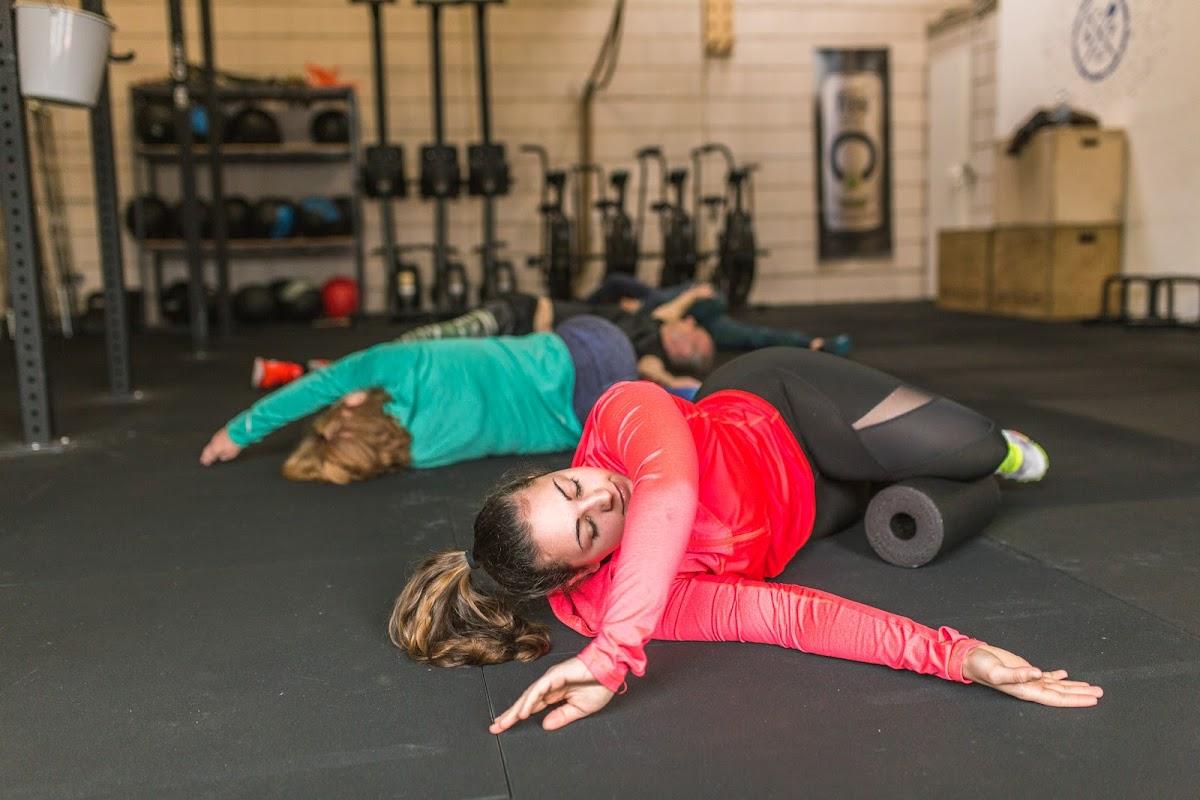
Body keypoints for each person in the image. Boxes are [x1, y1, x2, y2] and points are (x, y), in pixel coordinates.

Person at [388, 347, 1101, 734]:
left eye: (568, 486)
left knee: (972, 449)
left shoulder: (621, 416)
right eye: (587, 528)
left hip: (783, 404)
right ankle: (898, 470)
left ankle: (991, 452)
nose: (602, 493)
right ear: (581, 573)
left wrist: (612, 657)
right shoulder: (630, 600)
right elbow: (789, 618)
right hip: (818, 507)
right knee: (894, 490)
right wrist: (956, 656)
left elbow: (669, 492)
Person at [199, 316, 637, 483]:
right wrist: (236, 433)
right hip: (593, 345)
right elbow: (315, 387)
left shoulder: (419, 455)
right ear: (349, 404)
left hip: (600, 414)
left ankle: (660, 381)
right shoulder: (394, 363)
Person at [393, 291, 715, 392]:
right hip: (521, 314)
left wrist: (684, 385)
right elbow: (678, 307)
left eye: (694, 332)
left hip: (525, 350)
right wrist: (697, 294)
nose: (688, 322)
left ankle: (385, 371)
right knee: (439, 337)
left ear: (687, 350)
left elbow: (659, 375)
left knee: (447, 356)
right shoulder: (656, 320)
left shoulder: (646, 353)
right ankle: (380, 360)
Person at [586, 273, 853, 357]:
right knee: (748, 335)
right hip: (671, 318)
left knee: (744, 330)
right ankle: (813, 344)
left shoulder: (646, 297)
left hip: (674, 312)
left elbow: (617, 284)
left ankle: (812, 343)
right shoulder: (629, 318)